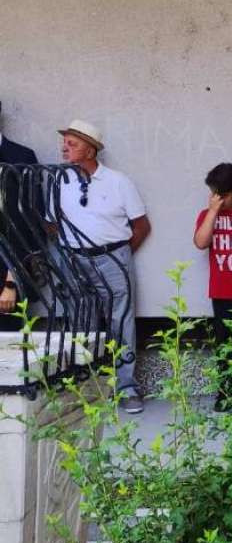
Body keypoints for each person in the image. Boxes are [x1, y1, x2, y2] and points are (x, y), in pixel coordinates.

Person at [57, 119, 150, 414]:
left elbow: (141, 226)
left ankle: (126, 387)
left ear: (90, 149)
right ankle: (86, 389)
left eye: (72, 143)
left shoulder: (118, 181)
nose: (64, 148)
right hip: (73, 260)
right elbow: (50, 224)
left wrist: (115, 254)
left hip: (113, 258)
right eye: (66, 142)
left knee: (120, 322)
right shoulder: (59, 181)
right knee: (79, 322)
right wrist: (72, 250)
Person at [193, 162, 232, 411]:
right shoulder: (207, 215)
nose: (219, 199)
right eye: (214, 193)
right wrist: (213, 212)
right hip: (222, 292)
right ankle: (225, 394)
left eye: (224, 195)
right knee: (225, 347)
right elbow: (200, 242)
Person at [0, 103, 40, 326]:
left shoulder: (21, 156)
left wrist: (12, 282)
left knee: (11, 352)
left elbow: (31, 224)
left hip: (7, 275)